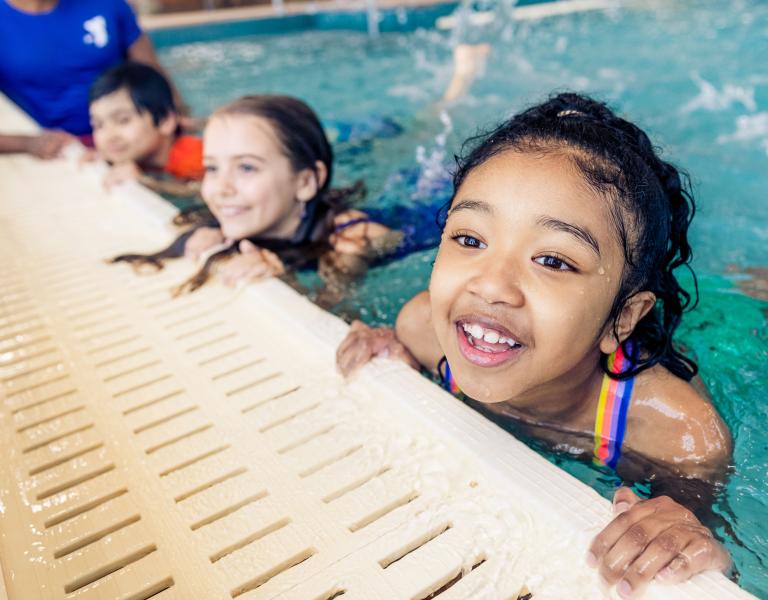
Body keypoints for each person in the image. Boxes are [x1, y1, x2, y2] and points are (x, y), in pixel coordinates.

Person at [335, 92, 733, 598]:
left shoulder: (679, 434)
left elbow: (706, 543)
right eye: (470, 240)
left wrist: (686, 531)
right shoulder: (421, 330)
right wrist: (390, 350)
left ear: (621, 318)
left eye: (554, 261)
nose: (492, 285)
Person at [111, 94, 407, 299]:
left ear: (305, 182)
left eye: (247, 167)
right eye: (212, 168)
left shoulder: (349, 240)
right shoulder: (249, 216)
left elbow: (335, 313)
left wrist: (282, 278)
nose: (221, 188)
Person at [0, 0, 187, 158]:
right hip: (64, 150)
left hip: (136, 139)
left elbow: (153, 73)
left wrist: (180, 119)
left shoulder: (108, 4)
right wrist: (27, 143)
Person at [89, 61, 202, 197]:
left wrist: (144, 182)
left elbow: (201, 194)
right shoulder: (137, 155)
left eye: (123, 120)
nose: (109, 136)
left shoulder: (195, 158)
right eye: (98, 125)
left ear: (164, 120)